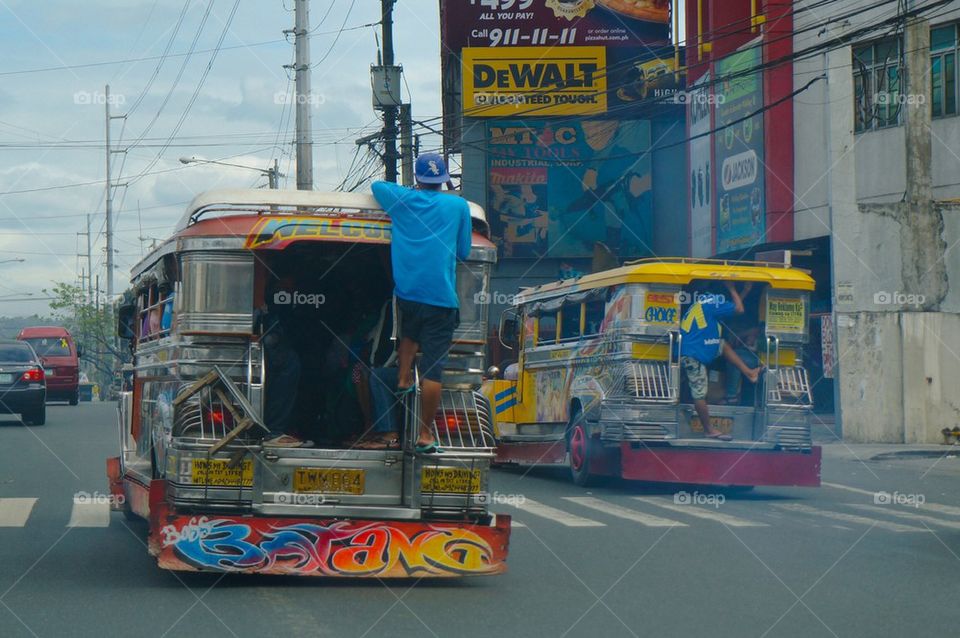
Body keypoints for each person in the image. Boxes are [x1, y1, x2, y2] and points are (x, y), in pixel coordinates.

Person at [371, 153, 472, 454]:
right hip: (441, 298)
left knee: (408, 335)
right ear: (444, 180)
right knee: (432, 371)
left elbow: (377, 185)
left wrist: (410, 193)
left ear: (417, 178)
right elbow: (464, 252)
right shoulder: (458, 205)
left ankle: (403, 378)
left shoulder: (402, 200)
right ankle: (425, 434)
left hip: (408, 294)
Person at [679, 281, 762, 441]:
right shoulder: (713, 302)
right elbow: (739, 309)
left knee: (722, 345)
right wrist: (732, 288)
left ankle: (750, 373)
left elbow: (732, 307)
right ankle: (709, 430)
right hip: (693, 353)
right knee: (699, 393)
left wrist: (744, 291)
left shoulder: (704, 302)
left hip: (701, 347)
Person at [256, 279, 310, 448]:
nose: (290, 289)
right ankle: (273, 431)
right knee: (287, 367)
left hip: (270, 343)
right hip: (266, 345)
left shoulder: (282, 303)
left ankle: (273, 430)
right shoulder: (272, 299)